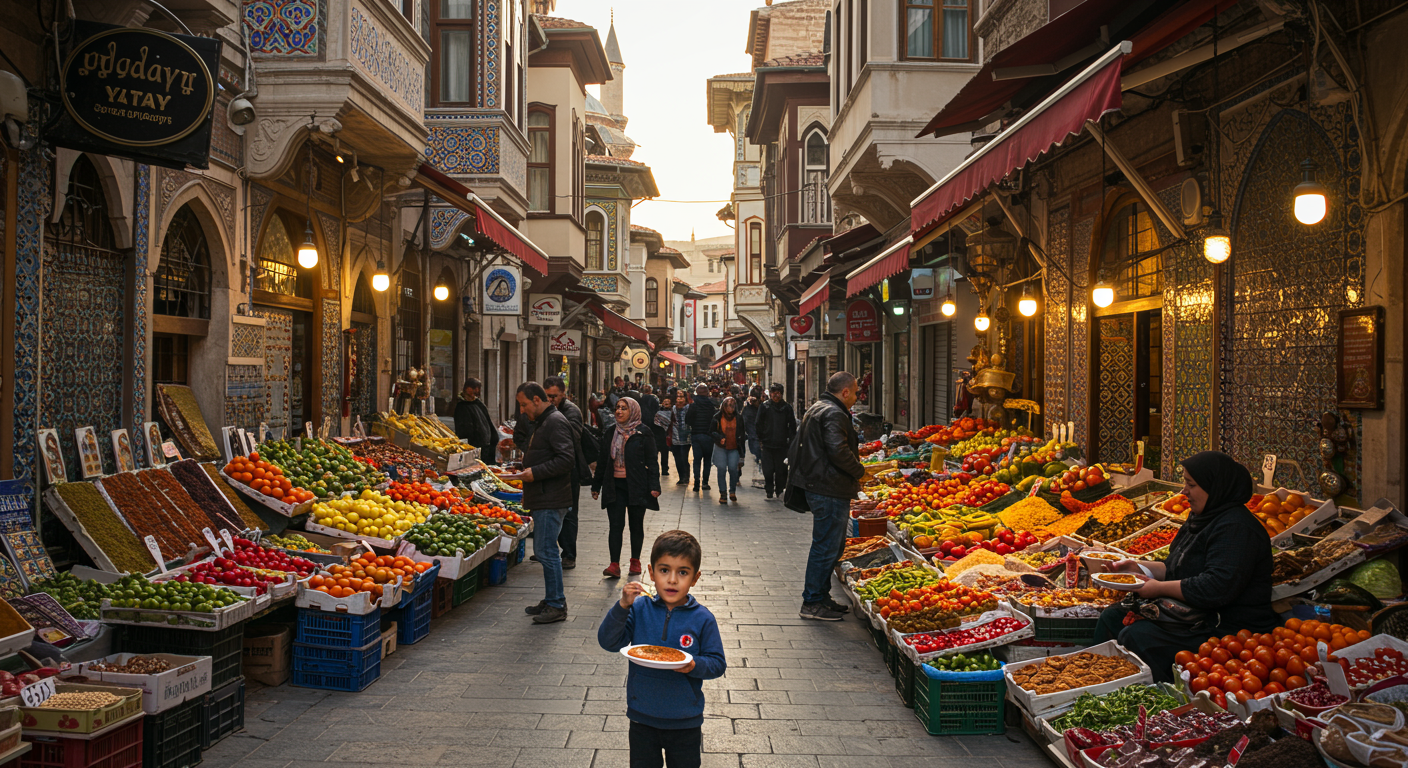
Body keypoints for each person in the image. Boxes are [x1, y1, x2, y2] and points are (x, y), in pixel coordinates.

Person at [1094, 451, 1279, 682]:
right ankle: (1097, 681)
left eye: (1190, 484)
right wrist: (1138, 568)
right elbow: (1175, 566)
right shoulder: (1202, 517)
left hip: (1226, 627)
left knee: (1139, 635)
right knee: (1112, 616)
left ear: (1215, 487)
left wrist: (1157, 588)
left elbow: (1214, 588)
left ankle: (1156, 699)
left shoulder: (1237, 528)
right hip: (1190, 615)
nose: (1184, 491)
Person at [597, 531, 726, 768]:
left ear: (695, 578)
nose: (672, 580)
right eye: (664, 570)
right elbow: (609, 642)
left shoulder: (703, 619)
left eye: (683, 572)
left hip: (685, 720)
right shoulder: (639, 609)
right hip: (642, 717)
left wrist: (694, 665)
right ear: (651, 572)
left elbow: (717, 663)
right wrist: (622, 606)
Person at [785, 371, 865, 621]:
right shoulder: (833, 412)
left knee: (831, 545)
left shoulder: (819, 407)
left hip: (822, 486)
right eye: (855, 392)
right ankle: (811, 602)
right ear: (845, 392)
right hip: (828, 487)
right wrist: (860, 471)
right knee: (825, 546)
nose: (856, 397)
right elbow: (837, 450)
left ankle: (821, 596)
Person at [501, 382, 575, 624]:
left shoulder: (554, 421)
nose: (522, 410)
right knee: (545, 550)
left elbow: (566, 459)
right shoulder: (543, 421)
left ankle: (556, 604)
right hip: (544, 495)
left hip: (551, 497)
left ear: (536, 399)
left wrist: (535, 473)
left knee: (546, 551)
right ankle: (552, 598)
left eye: (523, 404)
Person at [593, 397, 661, 578]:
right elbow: (602, 461)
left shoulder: (643, 433)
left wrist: (654, 485)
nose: (619, 411)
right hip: (614, 485)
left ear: (633, 411)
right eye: (617, 408)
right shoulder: (610, 433)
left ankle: (635, 561)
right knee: (616, 525)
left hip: (637, 485)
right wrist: (596, 485)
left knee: (636, 525)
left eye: (624, 408)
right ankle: (614, 564)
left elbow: (652, 461)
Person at [755, 383, 797, 501]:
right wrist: (761, 438)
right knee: (768, 470)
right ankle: (769, 490)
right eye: (774, 393)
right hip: (767, 444)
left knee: (781, 470)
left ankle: (779, 490)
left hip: (782, 445)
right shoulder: (765, 407)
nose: (776, 395)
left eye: (778, 393)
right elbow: (758, 424)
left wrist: (791, 441)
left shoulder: (787, 408)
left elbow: (792, 426)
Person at [708, 397, 744, 504]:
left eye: (732, 406)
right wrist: (719, 437)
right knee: (722, 469)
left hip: (734, 447)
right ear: (723, 406)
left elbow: (742, 434)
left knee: (733, 469)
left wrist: (742, 454)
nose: (730, 408)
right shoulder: (717, 417)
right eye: (728, 405)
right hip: (721, 447)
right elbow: (711, 431)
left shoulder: (738, 418)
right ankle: (723, 493)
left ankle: (732, 491)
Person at [685, 385, 717, 493]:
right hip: (708, 435)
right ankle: (705, 483)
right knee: (707, 460)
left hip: (696, 435)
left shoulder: (693, 405)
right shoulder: (711, 405)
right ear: (707, 392)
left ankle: (696, 482)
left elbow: (687, 420)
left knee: (697, 460)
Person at [453, 378, 497, 454]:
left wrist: (494, 439)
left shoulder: (478, 404)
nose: (477, 391)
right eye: (474, 388)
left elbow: (488, 422)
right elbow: (464, 430)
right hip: (473, 448)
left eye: (478, 388)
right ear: (467, 389)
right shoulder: (461, 406)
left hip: (485, 446)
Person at [639, 385, 666, 477]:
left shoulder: (640, 398)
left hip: (642, 423)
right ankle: (664, 468)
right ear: (650, 390)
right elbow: (657, 410)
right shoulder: (654, 398)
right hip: (653, 424)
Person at [667, 391, 692, 486]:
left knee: (683, 457)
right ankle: (681, 477)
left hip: (686, 437)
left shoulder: (689, 408)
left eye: (681, 397)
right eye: (678, 397)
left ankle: (686, 476)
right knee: (677, 458)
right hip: (675, 436)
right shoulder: (673, 408)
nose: (680, 399)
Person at [740, 387, 762, 472]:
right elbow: (743, 418)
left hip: (759, 433)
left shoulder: (763, 406)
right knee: (755, 450)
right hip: (752, 433)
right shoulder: (747, 406)